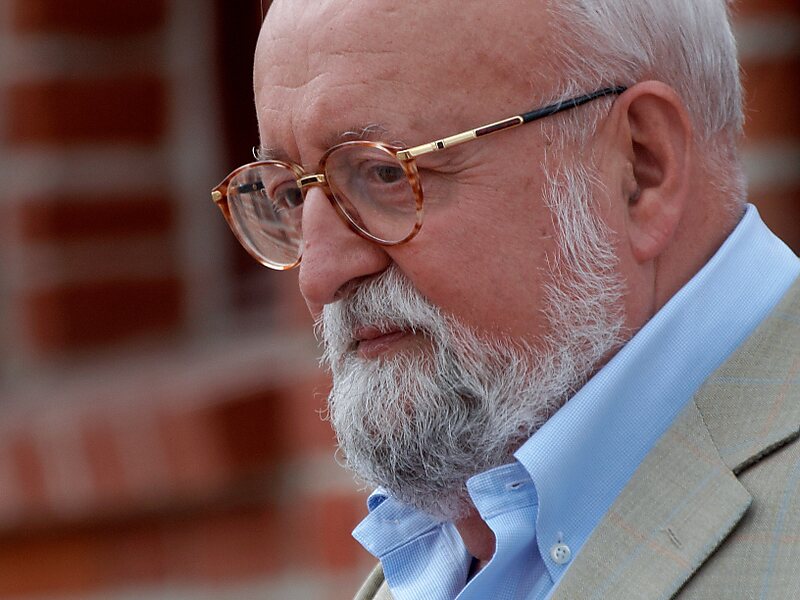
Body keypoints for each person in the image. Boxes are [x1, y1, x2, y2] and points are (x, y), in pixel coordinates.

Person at [212, 0, 800, 598]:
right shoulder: (451, 540)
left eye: (383, 173)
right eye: (290, 194)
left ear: (641, 167)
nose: (319, 276)